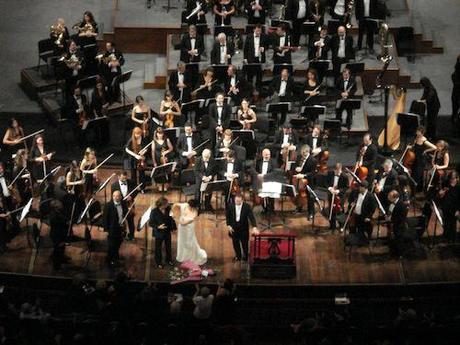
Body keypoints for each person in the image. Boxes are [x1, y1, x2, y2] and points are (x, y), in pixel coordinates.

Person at [173, 199, 207, 265]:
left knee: (189, 242)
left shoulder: (194, 213)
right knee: (182, 241)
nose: (189, 207)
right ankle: (183, 256)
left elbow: (183, 223)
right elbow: (175, 205)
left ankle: (191, 256)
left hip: (188, 229)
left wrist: (175, 219)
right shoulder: (185, 205)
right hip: (182, 229)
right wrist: (173, 213)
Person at [226, 193, 258, 261]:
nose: (237, 202)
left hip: (243, 227)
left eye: (238, 201)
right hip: (234, 227)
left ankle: (245, 256)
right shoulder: (230, 206)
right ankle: (238, 256)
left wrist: (254, 226)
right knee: (235, 243)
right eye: (236, 201)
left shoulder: (247, 206)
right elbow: (228, 217)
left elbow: (251, 217)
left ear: (242, 200)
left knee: (244, 243)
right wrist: (228, 225)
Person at [406, 126, 436, 192]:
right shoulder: (416, 138)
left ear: (421, 133)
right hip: (415, 158)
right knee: (413, 173)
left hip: (421, 160)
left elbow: (434, 147)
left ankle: (417, 190)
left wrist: (425, 151)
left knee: (418, 174)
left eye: (418, 131)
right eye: (417, 131)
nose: (416, 132)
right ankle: (413, 188)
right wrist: (410, 147)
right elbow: (414, 146)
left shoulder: (424, 140)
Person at [149, 197, 176, 268]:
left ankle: (169, 260)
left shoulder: (168, 209)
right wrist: (158, 226)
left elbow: (171, 219)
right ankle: (158, 262)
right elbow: (151, 223)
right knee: (158, 248)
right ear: (162, 205)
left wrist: (173, 227)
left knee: (168, 246)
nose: (168, 204)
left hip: (167, 231)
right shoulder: (154, 211)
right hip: (159, 233)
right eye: (166, 203)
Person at [103, 190, 128, 267]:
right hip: (112, 229)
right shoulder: (108, 205)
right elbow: (105, 219)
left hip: (120, 228)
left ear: (120, 197)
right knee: (112, 245)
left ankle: (111, 258)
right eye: (114, 196)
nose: (115, 197)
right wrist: (106, 230)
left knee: (118, 243)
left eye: (117, 196)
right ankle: (112, 261)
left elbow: (125, 214)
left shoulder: (123, 204)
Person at [111, 171, 138, 241]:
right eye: (123, 179)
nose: (124, 180)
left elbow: (136, 191)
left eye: (125, 179)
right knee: (121, 221)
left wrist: (131, 196)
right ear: (118, 177)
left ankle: (131, 235)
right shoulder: (114, 185)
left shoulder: (131, 182)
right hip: (119, 205)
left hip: (129, 204)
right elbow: (113, 197)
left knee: (130, 221)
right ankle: (123, 234)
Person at [292, 145, 317, 218]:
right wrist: (296, 168)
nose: (302, 155)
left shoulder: (313, 160)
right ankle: (299, 207)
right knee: (298, 193)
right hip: (299, 180)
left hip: (309, 181)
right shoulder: (300, 157)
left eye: (304, 153)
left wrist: (303, 175)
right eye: (302, 153)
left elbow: (313, 173)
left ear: (308, 152)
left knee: (310, 197)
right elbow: (294, 165)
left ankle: (311, 212)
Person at [252, 148, 277, 213]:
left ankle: (271, 209)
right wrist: (258, 174)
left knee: (270, 192)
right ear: (262, 154)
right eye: (266, 154)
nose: (267, 156)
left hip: (269, 180)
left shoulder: (273, 162)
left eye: (268, 154)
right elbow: (252, 169)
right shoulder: (258, 161)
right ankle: (264, 207)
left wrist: (265, 176)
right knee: (259, 190)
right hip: (260, 180)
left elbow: (275, 172)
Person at [125, 127, 149, 192]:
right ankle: (134, 188)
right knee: (133, 174)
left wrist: (144, 151)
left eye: (139, 134)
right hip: (133, 159)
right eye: (136, 134)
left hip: (141, 160)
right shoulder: (131, 140)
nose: (137, 135)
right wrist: (135, 155)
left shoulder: (143, 139)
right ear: (134, 134)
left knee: (142, 175)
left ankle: (142, 188)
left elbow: (146, 148)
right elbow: (127, 149)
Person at [438, 171, 460, 243]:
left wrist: (458, 210)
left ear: (457, 178)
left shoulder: (458, 187)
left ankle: (452, 239)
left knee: (453, 223)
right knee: (446, 222)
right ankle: (446, 237)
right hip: (446, 206)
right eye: (450, 179)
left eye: (453, 179)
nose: (452, 180)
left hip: (454, 208)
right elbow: (441, 195)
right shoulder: (446, 184)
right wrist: (442, 192)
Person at [326, 163, 348, 230]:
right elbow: (326, 182)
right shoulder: (330, 173)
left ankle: (342, 225)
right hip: (331, 194)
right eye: (335, 170)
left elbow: (346, 187)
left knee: (340, 210)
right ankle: (332, 226)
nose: (336, 172)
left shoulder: (345, 176)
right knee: (331, 210)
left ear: (340, 169)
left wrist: (338, 191)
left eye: (338, 171)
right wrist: (330, 188)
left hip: (340, 196)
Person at [48, 199, 69, 270]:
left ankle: (61, 258)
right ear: (55, 208)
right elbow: (58, 228)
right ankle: (57, 266)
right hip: (57, 236)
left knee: (62, 248)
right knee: (57, 250)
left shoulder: (58, 213)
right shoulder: (54, 217)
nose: (61, 207)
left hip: (60, 233)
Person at [452, 55, 460, 122]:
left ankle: (455, 117)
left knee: (455, 107)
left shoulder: (455, 74)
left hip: (456, 93)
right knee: (455, 106)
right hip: (457, 93)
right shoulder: (455, 74)